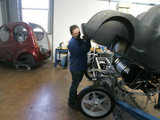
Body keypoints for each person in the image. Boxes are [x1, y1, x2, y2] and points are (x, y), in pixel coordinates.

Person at [68, 25, 91, 109]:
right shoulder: (72, 43)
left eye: (79, 32)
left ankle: (74, 97)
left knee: (76, 84)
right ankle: (71, 102)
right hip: (76, 68)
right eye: (76, 33)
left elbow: (87, 48)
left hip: (80, 66)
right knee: (74, 85)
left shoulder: (78, 40)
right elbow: (83, 50)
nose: (78, 34)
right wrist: (87, 40)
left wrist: (87, 41)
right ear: (72, 34)